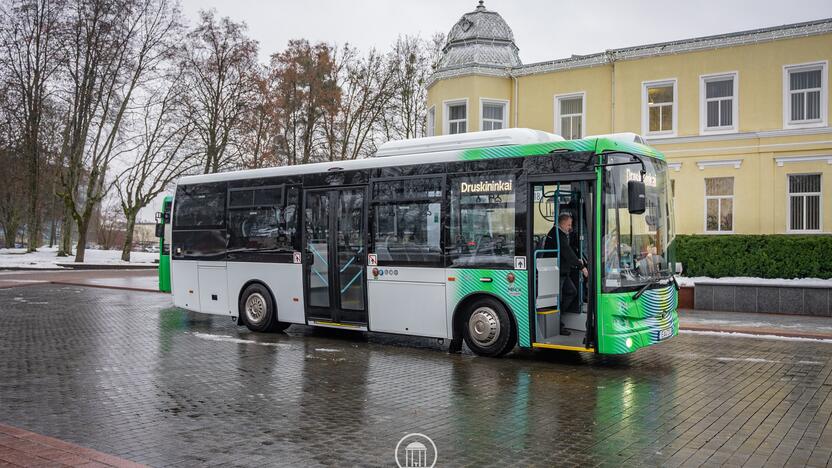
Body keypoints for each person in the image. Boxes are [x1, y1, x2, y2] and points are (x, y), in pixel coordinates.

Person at [543, 212, 588, 335]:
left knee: (571, 292)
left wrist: (578, 260)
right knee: (558, 299)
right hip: (555, 272)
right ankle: (558, 324)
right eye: (568, 225)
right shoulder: (558, 234)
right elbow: (566, 251)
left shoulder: (559, 234)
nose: (570, 227)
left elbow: (568, 251)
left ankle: (560, 316)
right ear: (562, 224)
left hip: (561, 271)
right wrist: (581, 267)